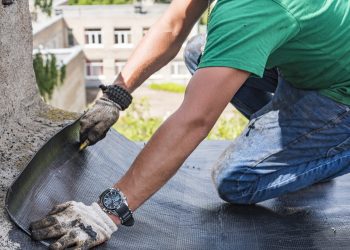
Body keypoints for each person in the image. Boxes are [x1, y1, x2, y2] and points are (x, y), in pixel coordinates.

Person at [29, 0, 350, 249]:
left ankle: (324, 142)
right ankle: (306, 144)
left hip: (339, 91)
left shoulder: (252, 10)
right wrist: (115, 96)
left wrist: (106, 212)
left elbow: (196, 120)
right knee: (202, 50)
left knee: (237, 181)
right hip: (318, 58)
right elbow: (174, 24)